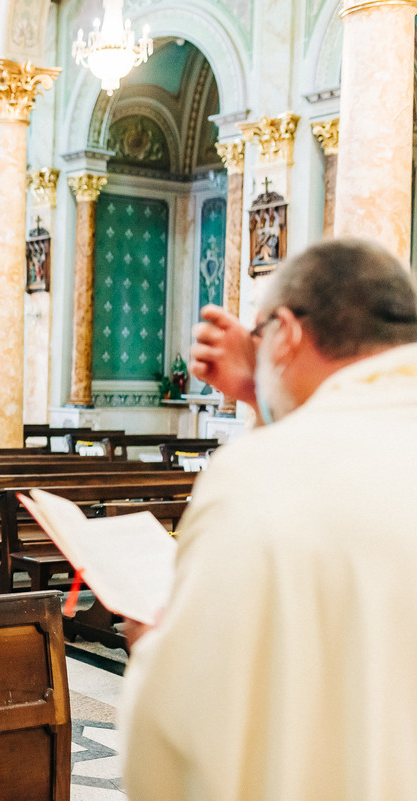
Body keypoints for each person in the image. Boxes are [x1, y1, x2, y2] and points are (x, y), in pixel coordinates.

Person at [121, 238, 417, 801]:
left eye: (259, 335)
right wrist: (263, 394)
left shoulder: (255, 477)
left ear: (287, 333)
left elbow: (184, 733)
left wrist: (157, 646)